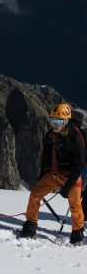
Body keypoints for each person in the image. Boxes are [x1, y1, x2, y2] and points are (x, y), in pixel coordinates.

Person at [18, 103, 85, 243]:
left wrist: (67, 187)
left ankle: (77, 235)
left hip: (72, 176)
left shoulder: (75, 138)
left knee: (75, 206)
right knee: (35, 195)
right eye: (52, 120)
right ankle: (30, 227)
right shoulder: (51, 136)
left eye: (58, 121)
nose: (54, 124)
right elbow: (46, 159)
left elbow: (80, 165)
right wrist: (42, 177)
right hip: (55, 174)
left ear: (65, 122)